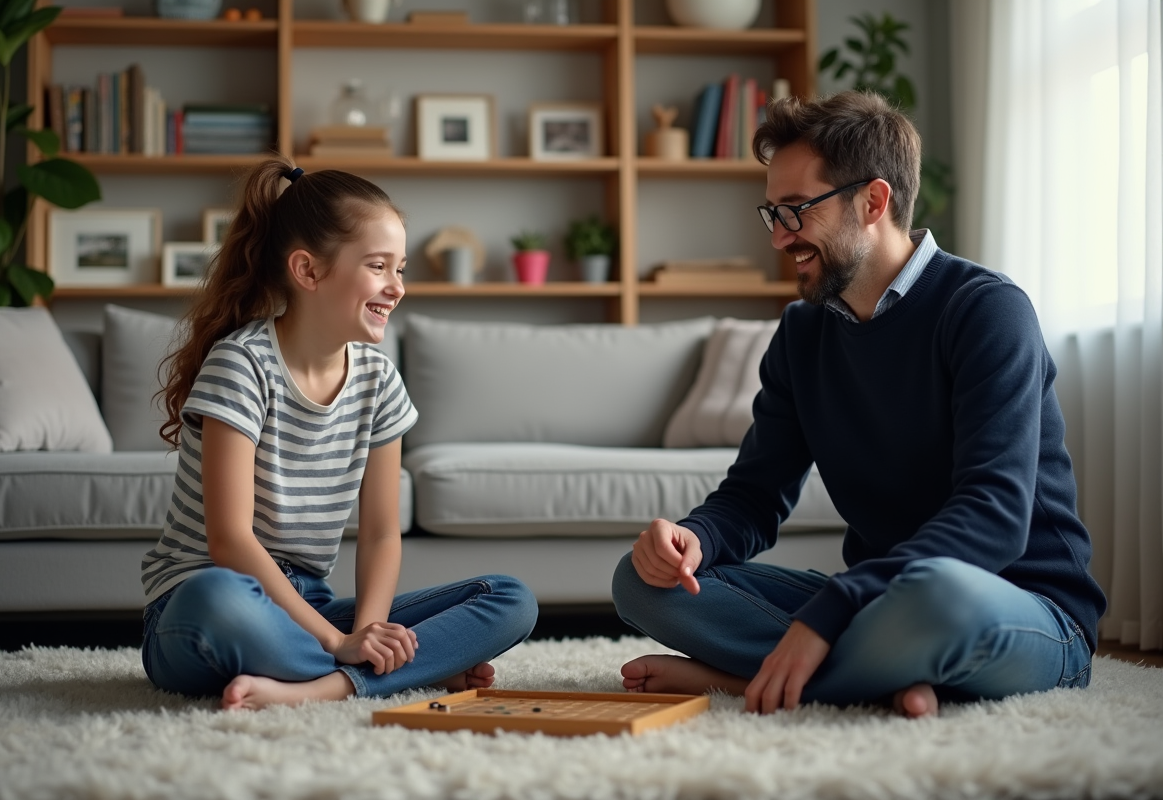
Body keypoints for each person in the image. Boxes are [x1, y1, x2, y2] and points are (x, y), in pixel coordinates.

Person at [611, 91, 1107, 719]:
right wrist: (694, 540)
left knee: (939, 599)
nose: (779, 237)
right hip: (879, 605)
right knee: (641, 582)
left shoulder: (986, 310)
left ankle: (753, 679)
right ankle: (883, 675)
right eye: (773, 213)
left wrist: (835, 607)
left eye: (797, 210)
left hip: (1020, 606)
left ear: (873, 201)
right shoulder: (801, 334)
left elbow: (995, 515)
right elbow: (754, 497)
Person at [141, 159, 538, 710]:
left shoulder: (379, 380)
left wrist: (368, 634)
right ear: (308, 270)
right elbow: (229, 541)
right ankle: (406, 669)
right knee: (219, 600)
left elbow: (381, 534)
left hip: (310, 608)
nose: (397, 288)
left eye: (400, 269)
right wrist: (336, 642)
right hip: (209, 601)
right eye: (378, 266)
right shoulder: (242, 364)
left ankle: (323, 687)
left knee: (510, 599)